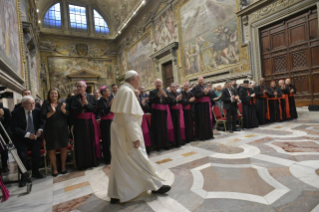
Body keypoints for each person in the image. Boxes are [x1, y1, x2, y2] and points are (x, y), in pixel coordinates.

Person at [108, 70, 171, 204]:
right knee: (139, 158)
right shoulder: (128, 92)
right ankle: (156, 185)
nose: (139, 82)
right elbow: (128, 117)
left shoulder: (123, 90)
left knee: (120, 161)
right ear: (133, 79)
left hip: (120, 130)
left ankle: (115, 193)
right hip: (126, 132)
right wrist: (135, 137)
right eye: (139, 79)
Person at [11, 96, 45, 187]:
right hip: (21, 138)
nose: (32, 105)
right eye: (30, 104)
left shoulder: (37, 111)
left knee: (37, 154)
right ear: (23, 104)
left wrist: (40, 130)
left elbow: (42, 122)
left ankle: (35, 172)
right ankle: (24, 175)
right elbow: (14, 128)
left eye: (33, 103)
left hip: (35, 137)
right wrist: (27, 134)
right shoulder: (16, 113)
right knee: (22, 156)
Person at [68, 81, 99, 169]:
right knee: (80, 143)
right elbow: (71, 111)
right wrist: (81, 105)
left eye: (80, 86)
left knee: (91, 140)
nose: (78, 88)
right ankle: (82, 164)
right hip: (79, 123)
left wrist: (87, 104)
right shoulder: (73, 99)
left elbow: (95, 109)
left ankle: (93, 162)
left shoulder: (91, 97)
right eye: (77, 86)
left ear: (85, 87)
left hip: (90, 122)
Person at [41, 88, 69, 177]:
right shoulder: (45, 104)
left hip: (63, 129)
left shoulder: (63, 103)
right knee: (51, 149)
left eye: (55, 93)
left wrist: (63, 110)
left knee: (64, 148)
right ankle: (54, 168)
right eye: (52, 94)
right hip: (51, 130)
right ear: (49, 95)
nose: (54, 95)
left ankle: (63, 166)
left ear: (58, 94)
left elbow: (68, 115)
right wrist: (52, 111)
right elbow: (43, 116)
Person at [149, 79, 174, 149]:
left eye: (159, 83)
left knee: (165, 127)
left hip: (165, 112)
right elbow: (151, 101)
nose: (158, 84)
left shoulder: (166, 91)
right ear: (155, 84)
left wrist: (166, 96)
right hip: (156, 113)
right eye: (157, 83)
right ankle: (159, 145)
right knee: (158, 128)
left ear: (162, 84)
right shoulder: (152, 92)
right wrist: (158, 95)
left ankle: (166, 144)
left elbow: (170, 101)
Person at [98, 86, 113, 165]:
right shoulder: (100, 101)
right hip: (105, 123)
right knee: (107, 141)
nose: (109, 92)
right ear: (103, 92)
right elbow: (103, 113)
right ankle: (108, 159)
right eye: (108, 91)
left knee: (113, 140)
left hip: (111, 121)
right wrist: (110, 106)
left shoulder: (109, 100)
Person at [168, 83, 184, 147]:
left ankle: (179, 141)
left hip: (178, 111)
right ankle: (174, 142)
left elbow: (181, 101)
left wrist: (180, 99)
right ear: (170, 88)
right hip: (172, 112)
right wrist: (176, 99)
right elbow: (170, 102)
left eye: (175, 87)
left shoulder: (178, 94)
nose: (174, 88)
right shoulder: (169, 94)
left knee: (178, 126)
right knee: (174, 127)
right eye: (172, 87)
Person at [0, 103, 11, 173]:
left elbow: (9, 122)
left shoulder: (6, 111)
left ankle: (5, 165)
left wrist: (1, 116)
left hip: (3, 133)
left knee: (4, 150)